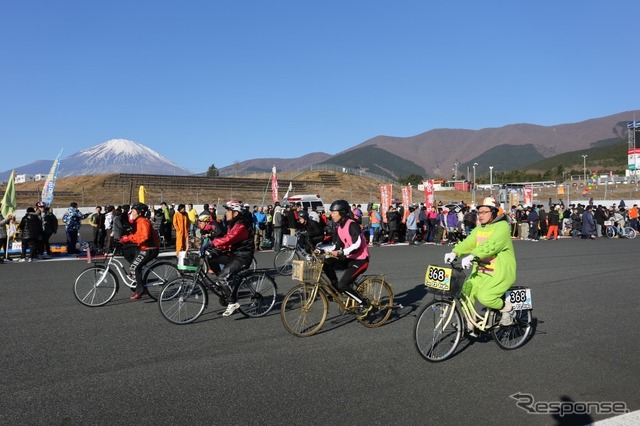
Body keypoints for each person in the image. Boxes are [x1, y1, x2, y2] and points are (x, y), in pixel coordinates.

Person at [443, 197, 517, 329]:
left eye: (485, 212)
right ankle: (470, 321)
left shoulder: (502, 227)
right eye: (479, 212)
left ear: (493, 212)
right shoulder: (479, 229)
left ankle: (508, 308)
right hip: (481, 271)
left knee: (485, 297)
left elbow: (491, 245)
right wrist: (455, 252)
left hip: (499, 272)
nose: (481, 215)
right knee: (464, 291)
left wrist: (473, 256)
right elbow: (469, 242)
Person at [205, 200, 255, 317]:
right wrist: (215, 247)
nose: (226, 213)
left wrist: (213, 243)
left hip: (242, 257)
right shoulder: (232, 224)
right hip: (234, 255)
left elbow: (229, 239)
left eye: (228, 211)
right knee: (212, 258)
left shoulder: (241, 226)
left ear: (236, 213)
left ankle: (232, 303)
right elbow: (228, 240)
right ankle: (222, 282)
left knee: (222, 276)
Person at [322, 199, 371, 317]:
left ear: (342, 213)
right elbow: (337, 245)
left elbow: (357, 245)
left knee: (343, 284)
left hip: (360, 260)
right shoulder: (339, 227)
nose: (331, 215)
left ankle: (363, 303)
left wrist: (342, 252)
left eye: (334, 213)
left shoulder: (352, 225)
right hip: (348, 258)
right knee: (327, 263)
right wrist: (325, 250)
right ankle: (336, 288)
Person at [119, 203, 160, 300]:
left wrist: (129, 238)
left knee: (135, 266)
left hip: (150, 248)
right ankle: (137, 273)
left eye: (133, 211)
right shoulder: (138, 221)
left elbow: (144, 237)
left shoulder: (143, 222)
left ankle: (141, 290)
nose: (131, 213)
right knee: (126, 250)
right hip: (143, 247)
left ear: (139, 212)